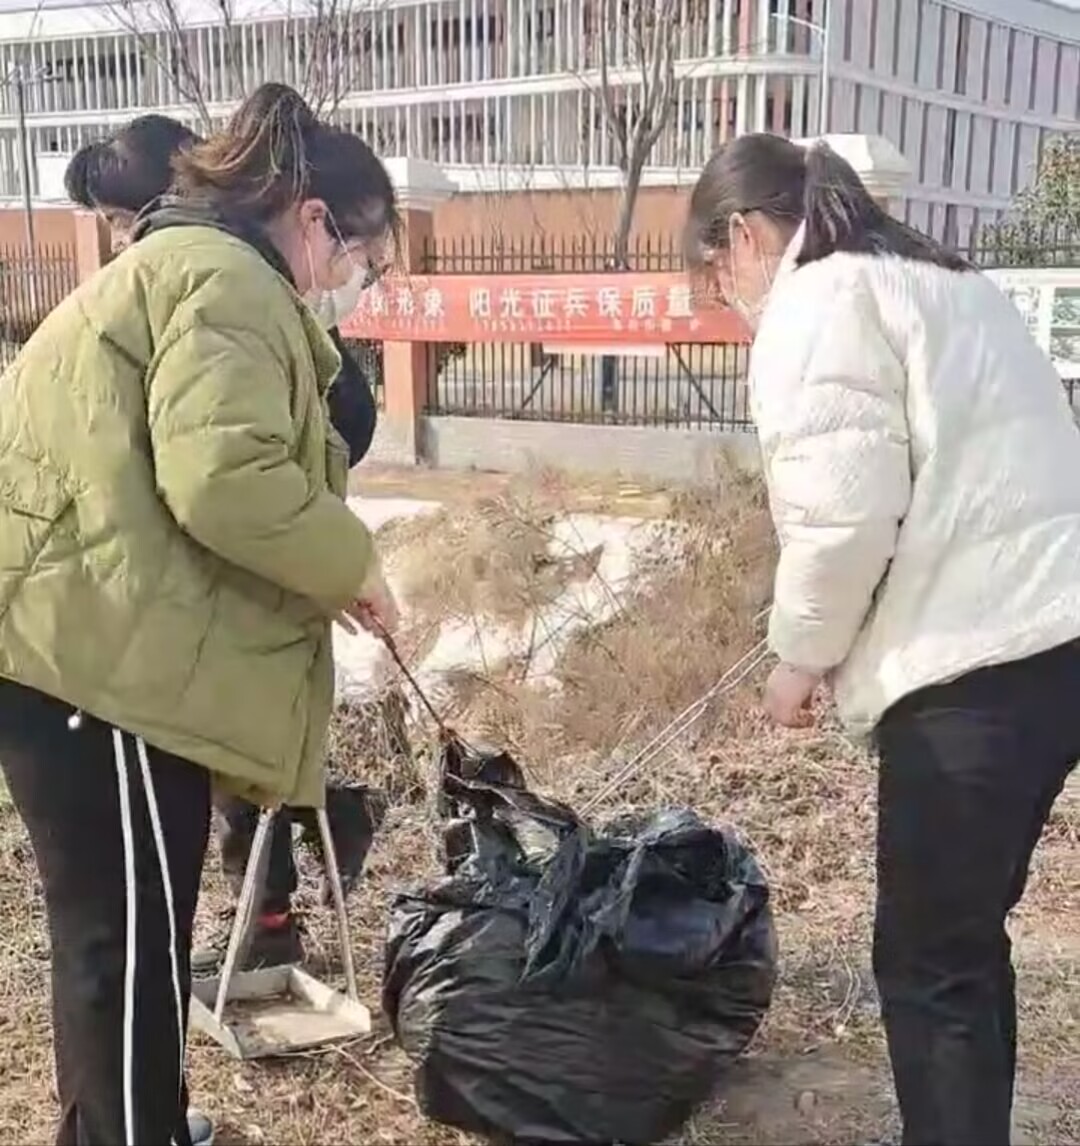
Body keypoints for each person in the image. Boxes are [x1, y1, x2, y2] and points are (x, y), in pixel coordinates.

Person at [0, 82, 400, 1146]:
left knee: (118, 942)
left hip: (87, 646)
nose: (353, 280)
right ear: (313, 220)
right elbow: (224, 479)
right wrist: (351, 562)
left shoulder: (189, 265)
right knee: (126, 950)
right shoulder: (227, 283)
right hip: (93, 665)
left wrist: (316, 575)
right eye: (360, 255)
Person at [684, 133, 1080, 1146]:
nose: (728, 296)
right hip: (1055, 640)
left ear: (745, 235)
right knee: (964, 939)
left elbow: (845, 517)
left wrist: (799, 658)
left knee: (928, 959)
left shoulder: (819, 299)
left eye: (716, 271)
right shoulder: (941, 278)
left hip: (975, 661)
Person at [64, 112, 385, 977]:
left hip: (224, 554)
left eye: (119, 219)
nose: (119, 239)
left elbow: (224, 478)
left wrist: (331, 554)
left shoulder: (219, 283)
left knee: (244, 733)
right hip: (171, 576)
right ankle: (317, 838)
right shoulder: (208, 277)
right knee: (233, 744)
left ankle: (279, 898)